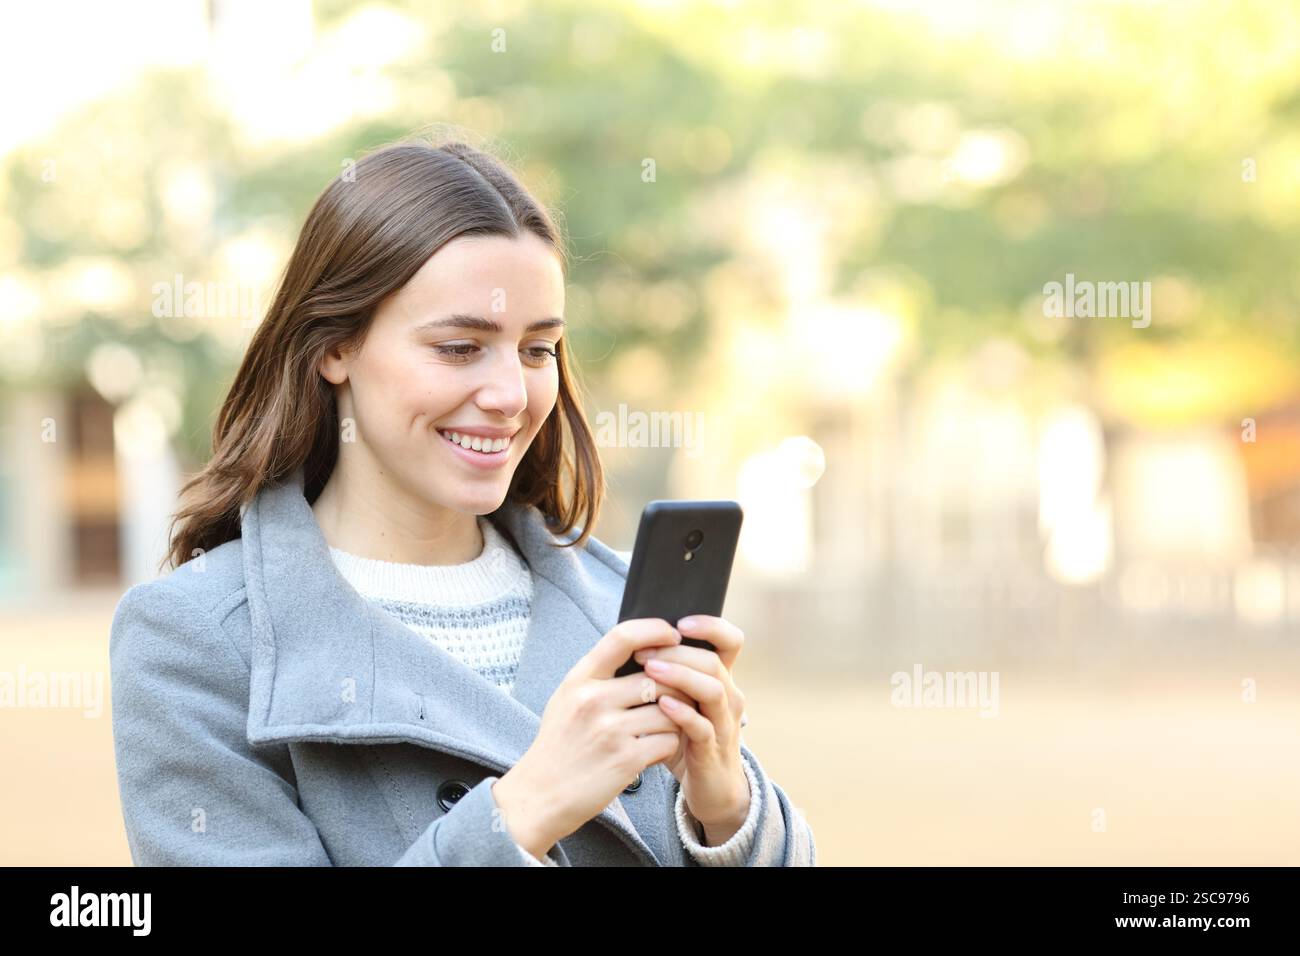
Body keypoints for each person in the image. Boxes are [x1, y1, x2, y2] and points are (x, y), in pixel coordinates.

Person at [109, 133, 816, 866]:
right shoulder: (199, 640)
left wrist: (727, 811)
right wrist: (523, 810)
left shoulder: (622, 609)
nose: (510, 395)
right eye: (459, 347)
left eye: (538, 349)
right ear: (334, 347)